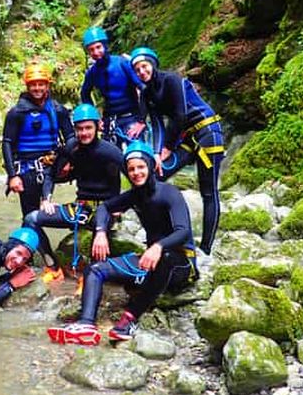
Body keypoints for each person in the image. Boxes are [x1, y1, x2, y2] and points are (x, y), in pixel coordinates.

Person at [47, 141, 197, 346]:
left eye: (141, 167)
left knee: (166, 258)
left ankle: (130, 319)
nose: (136, 172)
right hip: (149, 263)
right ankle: (86, 324)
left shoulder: (169, 193)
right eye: (131, 169)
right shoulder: (135, 196)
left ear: (151, 167)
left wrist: (158, 246)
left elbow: (184, 231)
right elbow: (104, 208)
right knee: (96, 269)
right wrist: (100, 232)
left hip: (180, 264)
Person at [129, 46, 224, 255]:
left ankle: (205, 249)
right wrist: (156, 154)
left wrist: (167, 148)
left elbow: (180, 115)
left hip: (207, 132)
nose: (142, 72)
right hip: (187, 137)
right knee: (155, 175)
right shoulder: (146, 94)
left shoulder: (172, 80)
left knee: (208, 192)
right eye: (137, 70)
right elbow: (157, 126)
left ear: (152, 65)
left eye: (144, 66)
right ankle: (161, 237)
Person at [23, 103, 124, 283]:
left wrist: (120, 205)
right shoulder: (71, 147)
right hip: (80, 207)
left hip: (105, 209)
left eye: (88, 128)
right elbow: (51, 174)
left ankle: (90, 278)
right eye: (79, 129)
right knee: (30, 219)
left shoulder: (110, 151)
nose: (84, 133)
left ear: (97, 127)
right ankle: (53, 266)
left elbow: (135, 178)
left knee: (97, 247)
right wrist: (47, 198)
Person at [2, 63, 74, 217]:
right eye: (33, 85)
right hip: (27, 169)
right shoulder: (17, 113)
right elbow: (7, 143)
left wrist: (67, 161)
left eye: (41, 84)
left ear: (47, 85)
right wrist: (13, 175)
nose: (37, 88)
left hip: (53, 166)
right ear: (27, 86)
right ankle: (29, 239)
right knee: (30, 215)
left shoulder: (58, 110)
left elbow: (70, 137)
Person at [79, 26, 146, 148]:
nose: (96, 52)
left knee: (137, 154)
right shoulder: (92, 73)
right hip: (109, 120)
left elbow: (142, 88)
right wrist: (95, 119)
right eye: (91, 50)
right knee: (111, 159)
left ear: (105, 46)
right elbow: (85, 94)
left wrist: (142, 121)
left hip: (131, 115)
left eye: (98, 47)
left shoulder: (122, 63)